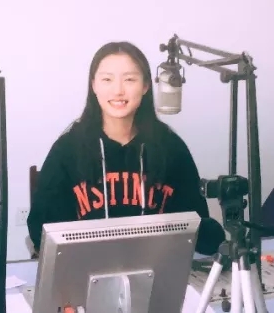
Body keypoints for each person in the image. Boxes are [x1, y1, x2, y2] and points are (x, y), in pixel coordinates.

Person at [27, 41, 225, 255]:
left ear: (146, 86)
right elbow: (42, 230)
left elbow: (195, 226)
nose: (118, 90)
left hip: (156, 266)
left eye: (129, 79)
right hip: (86, 267)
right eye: (107, 79)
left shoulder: (171, 148)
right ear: (94, 86)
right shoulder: (67, 150)